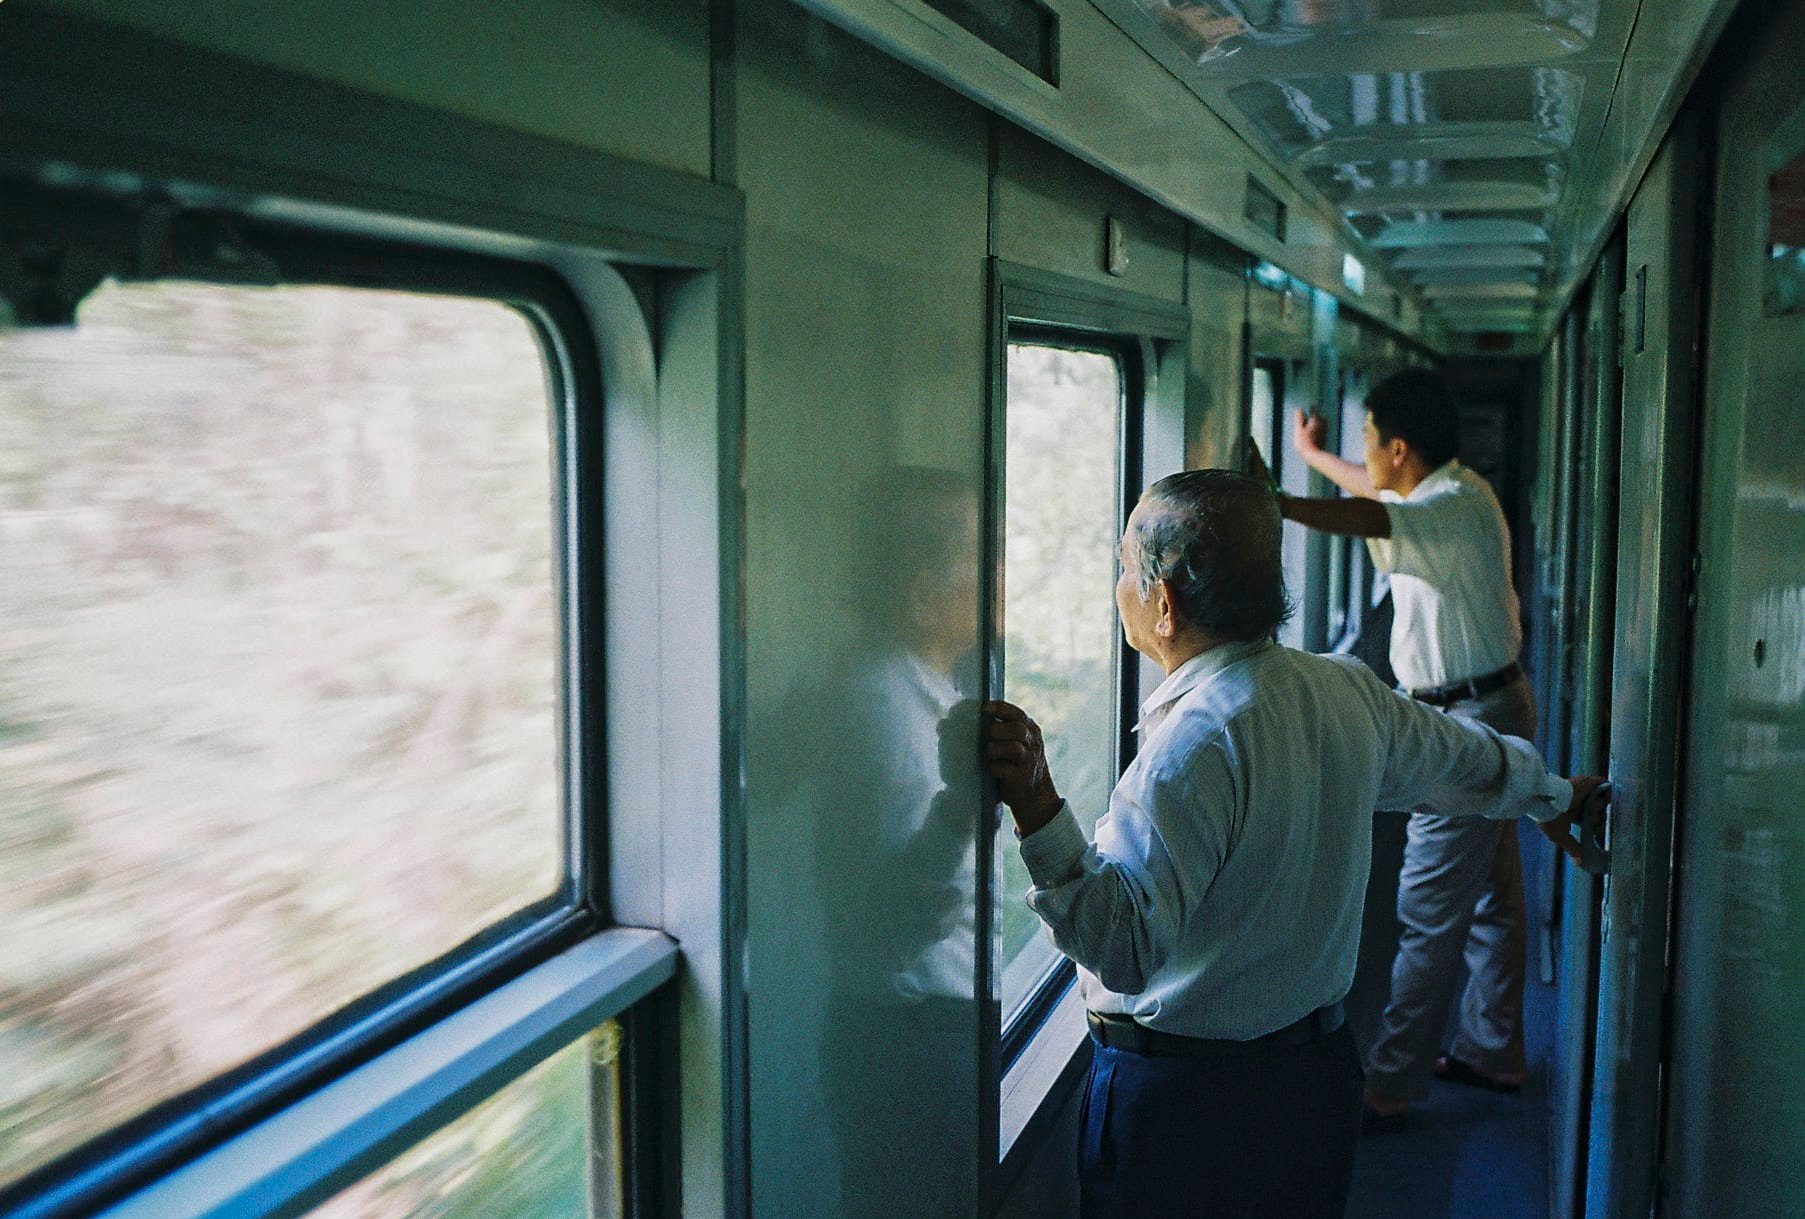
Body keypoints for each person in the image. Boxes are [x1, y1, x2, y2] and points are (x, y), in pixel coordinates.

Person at [983, 469, 1595, 1218]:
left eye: (1122, 568)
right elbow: (1462, 759)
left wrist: (1039, 806)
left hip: (1186, 1111)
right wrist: (1554, 796)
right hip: (1314, 1084)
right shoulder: (1342, 689)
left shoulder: (1190, 749)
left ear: (1163, 604)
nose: (1117, 584)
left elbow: (1125, 946)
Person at [1254, 368, 1538, 1128]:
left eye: (1369, 439)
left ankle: (1387, 1085)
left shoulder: (1441, 510)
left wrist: (1274, 503)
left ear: (1400, 448)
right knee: (1491, 897)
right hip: (1491, 702)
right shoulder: (1453, 489)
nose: (1364, 451)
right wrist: (1312, 456)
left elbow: (1367, 517)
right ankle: (1492, 1047)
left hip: (1470, 717)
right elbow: (1376, 494)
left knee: (1424, 908)